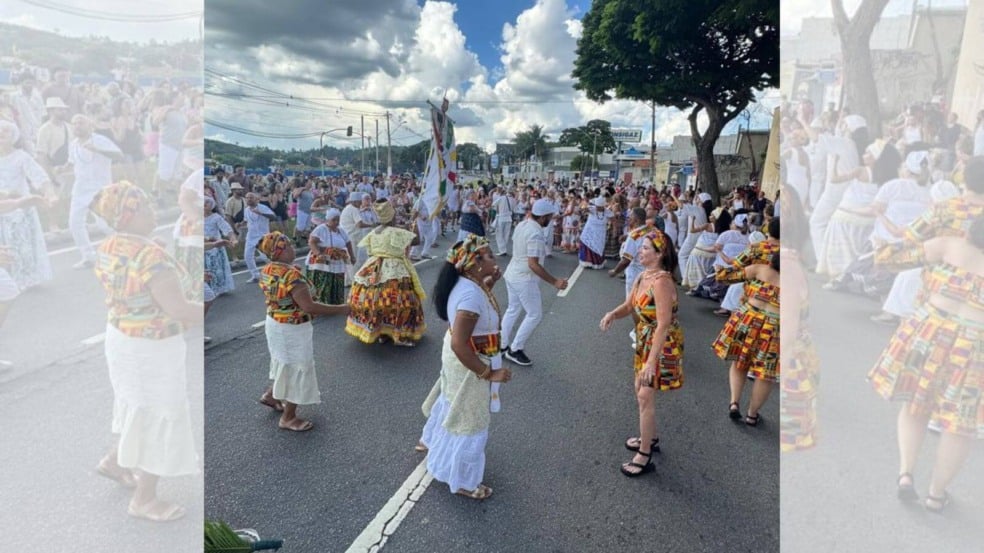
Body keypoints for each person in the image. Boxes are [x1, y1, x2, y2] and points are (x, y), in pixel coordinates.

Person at [90, 181, 201, 522]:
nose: (154, 210)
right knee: (159, 414)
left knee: (137, 406)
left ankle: (113, 462)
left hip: (121, 338)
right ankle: (145, 499)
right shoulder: (150, 255)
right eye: (146, 206)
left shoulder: (109, 245)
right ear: (127, 215)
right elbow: (179, 310)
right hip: (152, 347)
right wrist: (206, 310)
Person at [867, 216, 984, 513]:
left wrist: (880, 245)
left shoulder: (949, 245)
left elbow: (891, 258)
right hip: (975, 344)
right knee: (960, 426)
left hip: (929, 330)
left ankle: (906, 473)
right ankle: (936, 494)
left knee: (916, 403)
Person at [418, 235, 513, 500]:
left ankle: (433, 442)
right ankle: (462, 481)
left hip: (464, 356)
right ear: (475, 262)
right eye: (489, 255)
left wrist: (490, 282)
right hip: (470, 359)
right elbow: (461, 344)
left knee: (453, 404)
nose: (495, 259)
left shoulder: (468, 283)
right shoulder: (471, 293)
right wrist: (488, 373)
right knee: (471, 420)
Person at [599, 229, 682, 477]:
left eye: (645, 248)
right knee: (640, 391)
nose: (639, 251)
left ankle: (645, 455)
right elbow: (629, 305)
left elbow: (664, 323)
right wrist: (613, 314)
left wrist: (651, 362)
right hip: (645, 339)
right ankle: (651, 437)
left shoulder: (662, 282)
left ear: (659, 254)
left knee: (645, 394)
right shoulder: (643, 276)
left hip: (661, 343)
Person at [256, 231, 350, 431]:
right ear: (279, 252)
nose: (292, 248)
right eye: (288, 246)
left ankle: (272, 395)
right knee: (298, 368)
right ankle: (288, 418)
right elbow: (309, 307)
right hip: (292, 329)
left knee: (284, 363)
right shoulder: (292, 275)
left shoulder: (267, 269)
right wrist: (343, 309)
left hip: (274, 324)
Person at [345, 199, 427, 346]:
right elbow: (416, 241)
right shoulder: (396, 232)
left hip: (373, 267)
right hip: (395, 271)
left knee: (377, 303)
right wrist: (414, 225)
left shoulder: (374, 232)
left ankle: (383, 332)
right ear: (392, 216)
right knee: (401, 303)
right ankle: (399, 335)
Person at [713, 252, 781, 425]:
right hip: (774, 326)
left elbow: (726, 277)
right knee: (765, 375)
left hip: (748, 319)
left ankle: (734, 403)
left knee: (739, 361)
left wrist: (718, 269)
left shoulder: (759, 269)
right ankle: (752, 414)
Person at [500, 199, 569, 366]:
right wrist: (555, 282)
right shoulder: (536, 234)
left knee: (513, 309)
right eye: (550, 217)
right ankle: (515, 349)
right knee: (534, 314)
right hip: (524, 278)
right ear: (543, 216)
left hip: (512, 274)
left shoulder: (523, 225)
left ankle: (501, 345)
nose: (551, 219)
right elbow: (533, 264)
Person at [0, 120, 55, 289]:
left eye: (6, 131)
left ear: (14, 136)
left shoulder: (21, 157)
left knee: (22, 247)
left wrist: (49, 194)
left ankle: (24, 280)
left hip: (20, 210)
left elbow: (39, 177)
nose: (1, 133)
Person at [306, 209, 354, 305]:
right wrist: (318, 254)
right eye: (334, 220)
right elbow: (312, 242)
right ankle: (323, 304)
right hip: (323, 260)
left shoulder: (340, 230)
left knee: (337, 280)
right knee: (325, 281)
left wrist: (352, 256)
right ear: (328, 220)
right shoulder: (321, 229)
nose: (336, 222)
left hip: (337, 260)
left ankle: (336, 303)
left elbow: (348, 242)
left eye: (338, 220)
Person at [243, 192, 278, 283]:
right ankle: (255, 275)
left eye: (251, 198)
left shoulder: (262, 207)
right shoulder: (246, 210)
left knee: (265, 257)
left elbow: (274, 217)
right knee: (247, 256)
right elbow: (247, 221)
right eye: (247, 198)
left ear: (256, 199)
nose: (248, 199)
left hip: (263, 236)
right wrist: (240, 224)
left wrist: (261, 213)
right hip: (251, 236)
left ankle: (276, 274)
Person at [578, 196, 612, 269]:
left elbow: (613, 219)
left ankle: (596, 262)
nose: (597, 208)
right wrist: (585, 206)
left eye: (599, 206)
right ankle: (587, 262)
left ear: (603, 206)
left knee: (599, 247)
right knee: (587, 245)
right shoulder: (592, 209)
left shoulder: (607, 212)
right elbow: (583, 208)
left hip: (600, 233)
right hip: (589, 232)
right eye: (597, 206)